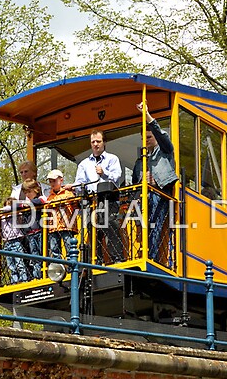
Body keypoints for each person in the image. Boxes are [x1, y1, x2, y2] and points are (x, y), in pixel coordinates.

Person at [132, 103, 179, 262]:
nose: (146, 140)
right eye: (143, 138)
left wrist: (147, 115)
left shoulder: (165, 150)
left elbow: (163, 136)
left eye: (149, 137)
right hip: (143, 199)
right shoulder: (140, 161)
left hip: (160, 195)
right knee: (137, 222)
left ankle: (152, 258)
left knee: (155, 226)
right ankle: (139, 253)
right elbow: (134, 184)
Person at [71, 129, 123, 264]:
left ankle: (116, 258)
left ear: (104, 142)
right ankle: (96, 260)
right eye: (93, 142)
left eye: (98, 141)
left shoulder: (112, 159)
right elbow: (79, 183)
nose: (95, 144)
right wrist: (74, 187)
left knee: (110, 226)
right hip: (91, 200)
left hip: (108, 198)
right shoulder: (84, 163)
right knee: (91, 228)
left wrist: (104, 173)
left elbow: (117, 176)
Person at [44, 169, 78, 260]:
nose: (52, 184)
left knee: (69, 247)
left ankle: (71, 266)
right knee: (54, 249)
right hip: (53, 226)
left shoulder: (68, 194)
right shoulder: (50, 196)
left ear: (61, 180)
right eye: (50, 182)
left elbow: (76, 206)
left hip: (66, 225)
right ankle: (58, 269)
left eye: (54, 181)